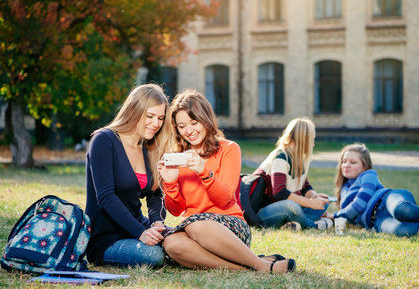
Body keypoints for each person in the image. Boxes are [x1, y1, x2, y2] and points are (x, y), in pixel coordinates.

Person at [157, 89, 296, 273]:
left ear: (205, 119)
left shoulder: (229, 149)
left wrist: (202, 170)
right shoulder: (179, 158)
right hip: (193, 229)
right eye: (181, 126)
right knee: (171, 243)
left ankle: (262, 266)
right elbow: (176, 210)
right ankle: (248, 267)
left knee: (195, 224)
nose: (188, 131)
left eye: (194, 122)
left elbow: (224, 198)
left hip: (230, 226)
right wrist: (170, 183)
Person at [85, 84, 172, 267]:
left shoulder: (148, 148)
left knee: (183, 237)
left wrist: (156, 223)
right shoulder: (103, 140)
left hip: (139, 226)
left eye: (160, 118)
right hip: (106, 239)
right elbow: (106, 198)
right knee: (154, 255)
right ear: (133, 110)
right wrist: (141, 233)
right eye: (150, 116)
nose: (156, 124)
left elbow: (154, 193)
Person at [329, 143, 419, 237]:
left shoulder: (368, 175)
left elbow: (359, 204)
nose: (346, 165)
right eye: (344, 162)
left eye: (353, 162)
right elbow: (348, 217)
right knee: (404, 231)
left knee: (402, 209)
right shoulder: (343, 190)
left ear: (364, 167)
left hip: (387, 199)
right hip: (377, 220)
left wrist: (334, 216)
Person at [251, 118, 332, 231]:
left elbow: (305, 187)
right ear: (304, 139)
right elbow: (279, 192)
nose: (313, 144)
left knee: (324, 202)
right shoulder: (281, 156)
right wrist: (310, 203)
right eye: (312, 140)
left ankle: (293, 224)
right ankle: (313, 226)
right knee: (292, 206)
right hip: (264, 212)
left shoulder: (298, 159)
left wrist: (315, 197)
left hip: (287, 208)